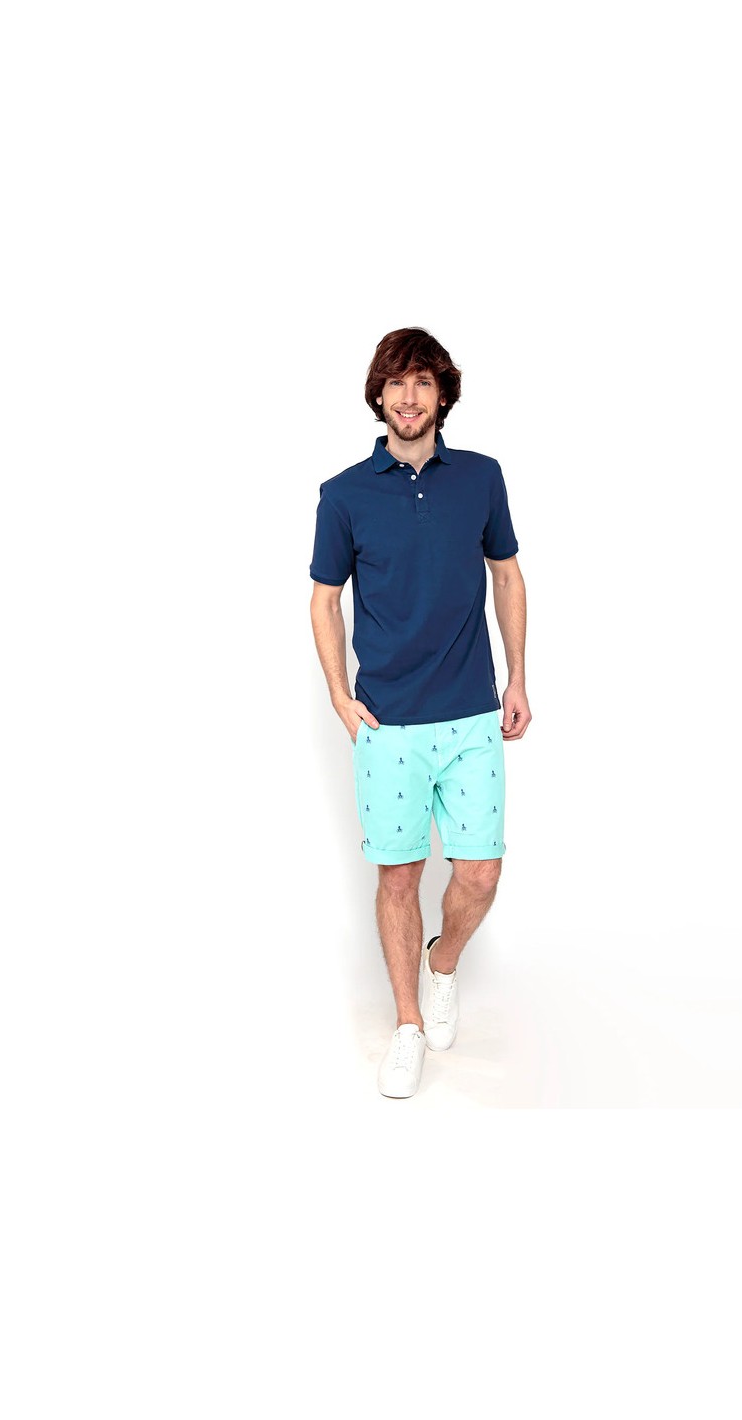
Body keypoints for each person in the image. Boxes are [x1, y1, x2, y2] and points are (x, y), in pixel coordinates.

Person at [309, 328, 531, 1098]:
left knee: (481, 872)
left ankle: (443, 963)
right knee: (399, 878)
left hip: (471, 716)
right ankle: (407, 1025)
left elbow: (507, 575)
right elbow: (324, 600)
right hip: (389, 724)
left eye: (424, 384)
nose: (409, 398)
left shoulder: (480, 478)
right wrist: (339, 695)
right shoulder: (343, 495)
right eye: (397, 383)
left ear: (443, 396)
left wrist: (518, 677)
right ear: (379, 394)